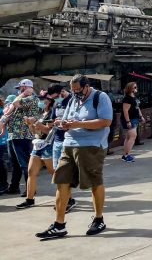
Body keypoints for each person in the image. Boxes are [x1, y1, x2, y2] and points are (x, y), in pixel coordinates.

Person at [37, 74, 113, 239]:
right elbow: (66, 120)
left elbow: (106, 121)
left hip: (91, 146)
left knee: (94, 182)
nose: (75, 93)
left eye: (78, 90)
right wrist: (61, 123)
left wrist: (77, 124)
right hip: (69, 145)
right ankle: (59, 225)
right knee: (61, 181)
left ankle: (99, 219)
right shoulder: (72, 99)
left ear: (87, 86)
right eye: (73, 90)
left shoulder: (100, 97)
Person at [16, 95, 56, 209]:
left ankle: (67, 198)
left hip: (48, 145)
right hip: (37, 145)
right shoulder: (40, 113)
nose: (41, 101)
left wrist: (38, 123)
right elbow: (34, 132)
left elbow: (49, 131)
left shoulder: (52, 114)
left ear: (49, 101)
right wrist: (29, 124)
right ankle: (29, 199)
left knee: (54, 173)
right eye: (40, 99)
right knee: (31, 172)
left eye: (43, 99)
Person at [3, 79, 41, 196]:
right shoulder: (22, 98)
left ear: (25, 87)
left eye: (20, 88)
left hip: (22, 135)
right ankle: (14, 187)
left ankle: (31, 189)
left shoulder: (32, 98)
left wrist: (23, 94)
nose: (19, 90)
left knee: (24, 163)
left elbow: (15, 103)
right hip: (13, 135)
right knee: (15, 164)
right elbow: (8, 111)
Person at [121, 82, 145, 163]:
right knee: (132, 136)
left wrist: (141, 116)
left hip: (134, 118)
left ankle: (125, 155)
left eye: (136, 87)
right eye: (134, 87)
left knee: (129, 137)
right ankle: (127, 155)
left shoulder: (134, 97)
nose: (136, 88)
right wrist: (128, 121)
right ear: (130, 88)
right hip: (130, 119)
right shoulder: (127, 98)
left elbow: (137, 108)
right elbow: (125, 110)